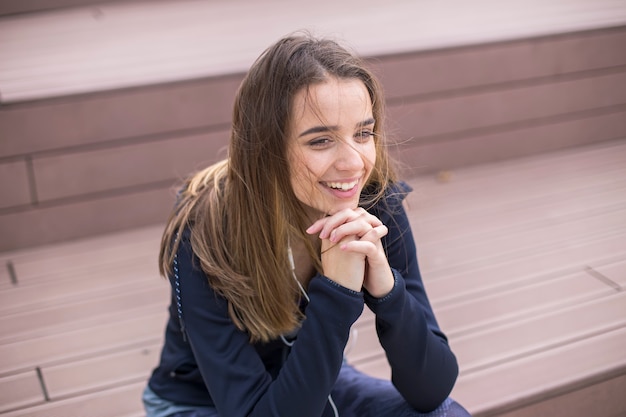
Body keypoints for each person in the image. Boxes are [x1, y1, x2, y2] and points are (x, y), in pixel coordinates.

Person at [143, 32, 471, 417]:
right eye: (320, 141)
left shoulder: (375, 203)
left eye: (363, 133)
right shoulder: (204, 230)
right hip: (203, 404)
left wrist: (388, 291)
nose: (353, 164)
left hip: (313, 379)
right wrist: (336, 293)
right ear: (266, 149)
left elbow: (431, 390)